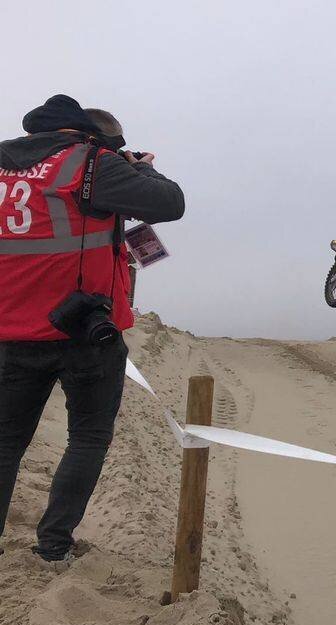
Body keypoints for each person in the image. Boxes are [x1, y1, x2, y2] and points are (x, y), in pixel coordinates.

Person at [0, 95, 185, 562]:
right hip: (85, 329)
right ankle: (54, 546)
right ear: (83, 132)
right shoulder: (91, 163)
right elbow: (170, 203)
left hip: (10, 331)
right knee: (87, 436)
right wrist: (137, 167)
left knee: (5, 443)